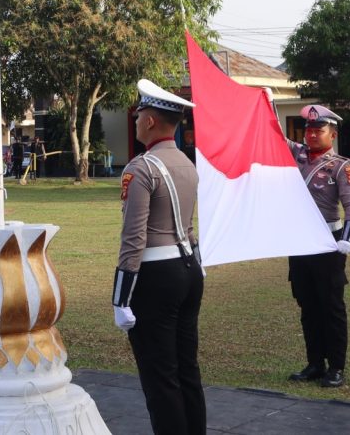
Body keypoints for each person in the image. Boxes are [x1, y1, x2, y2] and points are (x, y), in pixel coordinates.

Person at [112, 79, 205, 435]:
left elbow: (133, 237)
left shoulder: (141, 168)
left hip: (155, 276)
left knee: (160, 377)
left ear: (151, 121)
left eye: (138, 116)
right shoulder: (187, 163)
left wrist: (121, 298)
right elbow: (188, 226)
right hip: (187, 269)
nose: (135, 122)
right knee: (186, 370)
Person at [283, 104, 350, 389]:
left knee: (331, 307)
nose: (312, 134)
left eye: (319, 130)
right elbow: (271, 135)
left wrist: (347, 240)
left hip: (328, 244)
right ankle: (315, 363)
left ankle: (336, 367)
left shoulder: (342, 166)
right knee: (307, 305)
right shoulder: (296, 154)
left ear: (333, 134)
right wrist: (265, 105)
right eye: (309, 129)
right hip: (300, 243)